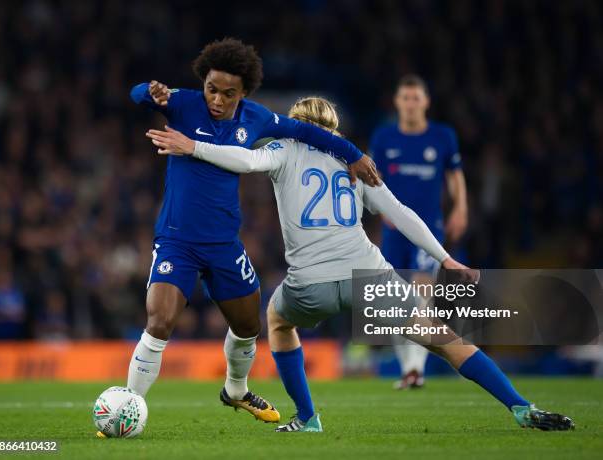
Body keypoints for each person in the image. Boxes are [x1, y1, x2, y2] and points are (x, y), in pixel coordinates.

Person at [145, 96, 574, 433]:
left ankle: (308, 418)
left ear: (296, 123)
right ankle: (520, 406)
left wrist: (194, 146)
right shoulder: (354, 161)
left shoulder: (283, 147)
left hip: (309, 284)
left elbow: (246, 160)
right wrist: (445, 257)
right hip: (368, 276)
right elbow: (401, 213)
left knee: (276, 320)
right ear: (334, 129)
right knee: (445, 340)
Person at [126, 38, 380, 427]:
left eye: (229, 93)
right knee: (159, 321)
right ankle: (129, 407)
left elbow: (307, 133)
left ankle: (236, 391)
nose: (218, 99)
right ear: (203, 82)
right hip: (177, 241)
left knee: (248, 327)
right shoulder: (183, 103)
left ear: (243, 93)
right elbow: (137, 94)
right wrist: (150, 89)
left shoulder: (257, 118)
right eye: (212, 88)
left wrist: (355, 155)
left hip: (225, 244)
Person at [369, 74, 468, 390]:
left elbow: (455, 175)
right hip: (394, 228)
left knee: (422, 291)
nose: (411, 104)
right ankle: (409, 368)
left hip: (428, 228)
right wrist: (381, 209)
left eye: (416, 98)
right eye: (405, 98)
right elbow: (373, 176)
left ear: (426, 102)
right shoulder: (384, 137)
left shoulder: (442, 136)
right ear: (397, 102)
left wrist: (460, 207)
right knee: (395, 297)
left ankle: (415, 368)